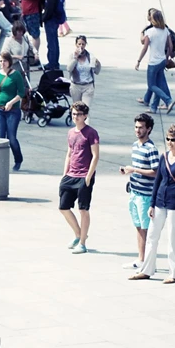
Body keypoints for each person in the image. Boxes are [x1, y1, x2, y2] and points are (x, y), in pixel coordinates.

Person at [129, 125, 175, 284]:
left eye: (173, 140)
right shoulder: (163, 157)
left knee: (173, 238)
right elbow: (157, 181)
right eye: (168, 139)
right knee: (152, 235)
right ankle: (147, 270)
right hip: (159, 201)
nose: (170, 143)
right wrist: (151, 204)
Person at [119, 113, 160, 271]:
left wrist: (134, 169)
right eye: (136, 127)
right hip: (134, 192)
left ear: (148, 129)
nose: (137, 130)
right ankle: (141, 259)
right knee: (138, 226)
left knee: (146, 229)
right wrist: (129, 171)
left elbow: (156, 172)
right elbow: (140, 169)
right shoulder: (135, 146)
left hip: (145, 195)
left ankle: (149, 263)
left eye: (141, 127)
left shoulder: (151, 149)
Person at [58, 101, 98, 254]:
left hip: (84, 176)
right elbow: (69, 153)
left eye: (78, 114)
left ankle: (82, 242)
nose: (75, 117)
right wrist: (64, 173)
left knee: (83, 209)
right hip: (70, 175)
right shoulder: (70, 133)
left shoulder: (91, 133)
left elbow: (95, 155)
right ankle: (78, 234)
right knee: (63, 207)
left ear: (85, 116)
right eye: (73, 114)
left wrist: (88, 176)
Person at [135, 8, 175, 113]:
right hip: (162, 60)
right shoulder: (165, 30)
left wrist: (139, 61)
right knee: (157, 84)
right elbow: (170, 46)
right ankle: (153, 107)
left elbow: (144, 47)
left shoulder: (150, 32)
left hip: (153, 62)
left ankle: (168, 100)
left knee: (151, 85)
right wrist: (166, 58)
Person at [0, 52, 25, 170]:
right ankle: (0, 163)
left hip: (13, 110)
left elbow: (21, 93)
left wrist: (11, 103)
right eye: (0, 61)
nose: (2, 63)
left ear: (9, 62)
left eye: (4, 61)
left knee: (11, 138)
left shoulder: (16, 75)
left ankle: (18, 159)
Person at [16, 0, 42, 65]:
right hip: (26, 12)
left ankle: (34, 57)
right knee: (29, 34)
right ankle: (30, 55)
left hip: (33, 12)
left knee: (35, 35)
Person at [39, 0, 64, 70]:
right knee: (54, 42)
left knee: (51, 43)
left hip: (51, 20)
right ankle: (54, 62)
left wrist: (42, 18)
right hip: (56, 18)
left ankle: (52, 63)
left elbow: (49, 9)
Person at [67, 35, 99, 106]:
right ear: (76, 44)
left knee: (85, 109)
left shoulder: (90, 56)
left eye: (83, 44)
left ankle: (86, 117)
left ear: (85, 45)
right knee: (77, 108)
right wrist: (75, 58)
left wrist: (98, 64)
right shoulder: (72, 55)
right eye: (79, 44)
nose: (81, 46)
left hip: (88, 86)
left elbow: (97, 71)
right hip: (76, 86)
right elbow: (69, 69)